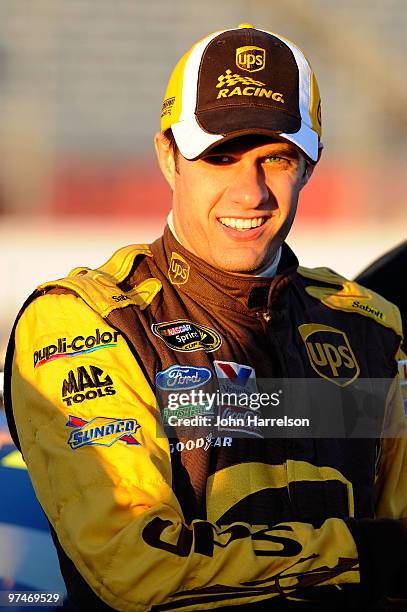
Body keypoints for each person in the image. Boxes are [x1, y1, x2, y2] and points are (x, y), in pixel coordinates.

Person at [3, 24, 407, 612]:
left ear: (311, 166)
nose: (251, 192)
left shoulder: (370, 327)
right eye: (220, 156)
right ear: (168, 157)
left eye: (277, 158)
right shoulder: (86, 322)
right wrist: (364, 553)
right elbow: (135, 567)